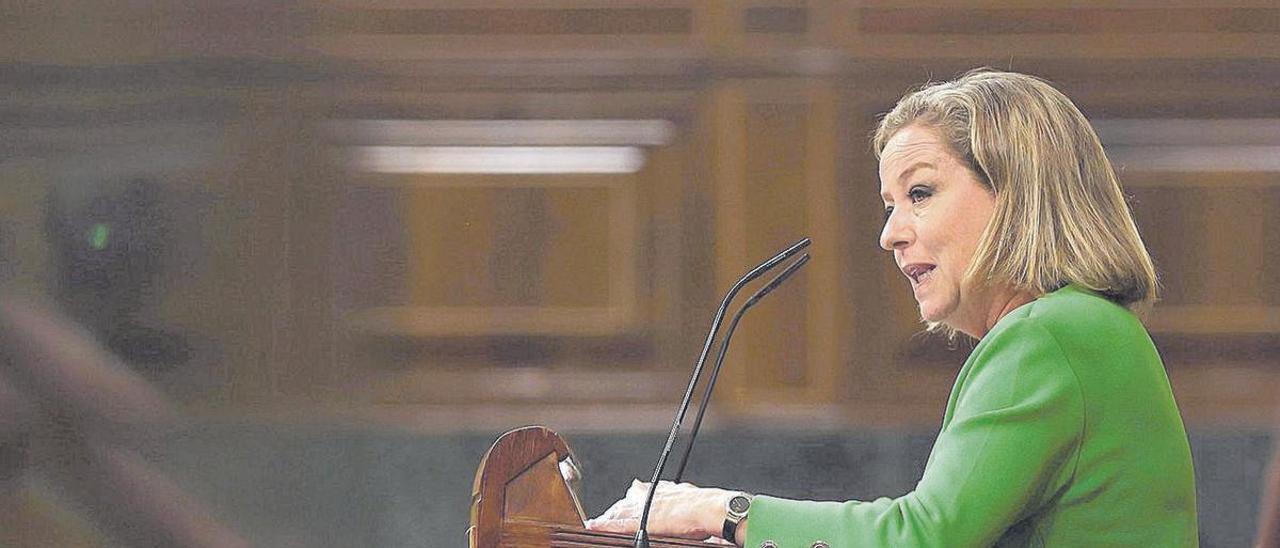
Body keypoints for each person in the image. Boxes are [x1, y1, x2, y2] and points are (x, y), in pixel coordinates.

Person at [585, 69, 1198, 547]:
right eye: (889, 203)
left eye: (920, 193)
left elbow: (926, 536)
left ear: (1017, 195)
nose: (890, 233)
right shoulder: (1086, 328)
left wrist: (717, 512)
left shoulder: (1049, 337)